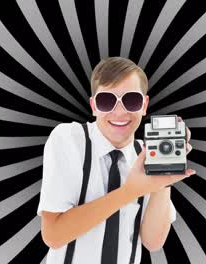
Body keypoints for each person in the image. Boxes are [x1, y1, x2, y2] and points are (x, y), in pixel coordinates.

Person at [37, 57, 195, 263]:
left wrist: (163, 181)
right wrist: (130, 191)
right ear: (94, 106)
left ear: (144, 105)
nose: (120, 112)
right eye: (106, 101)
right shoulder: (69, 139)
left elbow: (153, 242)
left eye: (131, 100)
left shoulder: (147, 153)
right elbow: (53, 235)